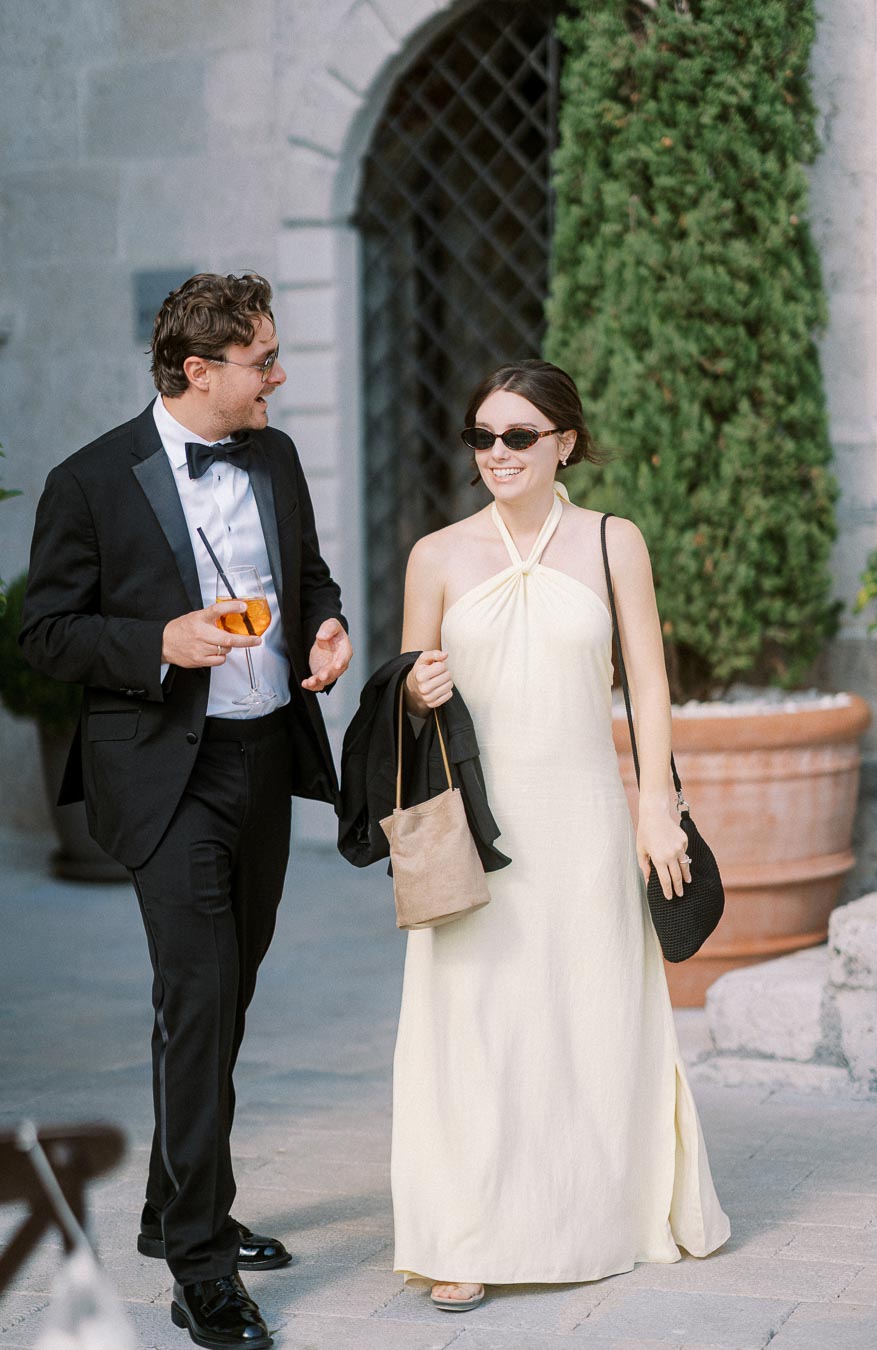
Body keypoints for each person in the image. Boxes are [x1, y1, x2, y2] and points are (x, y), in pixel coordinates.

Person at [20, 272, 352, 1350]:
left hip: (263, 759)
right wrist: (155, 642)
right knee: (200, 1002)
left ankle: (175, 1205)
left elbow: (307, 577)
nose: (280, 374)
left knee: (226, 993)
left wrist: (330, 629)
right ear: (199, 371)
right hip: (167, 772)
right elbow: (46, 635)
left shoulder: (277, 455)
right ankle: (198, 1268)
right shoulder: (88, 481)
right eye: (263, 359)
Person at [392, 359, 730, 1311]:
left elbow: (652, 684)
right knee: (472, 1027)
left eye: (518, 437)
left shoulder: (615, 541)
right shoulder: (439, 554)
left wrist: (655, 804)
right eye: (482, 437)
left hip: (583, 816)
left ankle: (596, 1217)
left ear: (564, 444)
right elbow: (406, 687)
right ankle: (460, 1235)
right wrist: (413, 689)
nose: (496, 454)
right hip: (479, 827)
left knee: (587, 1018)